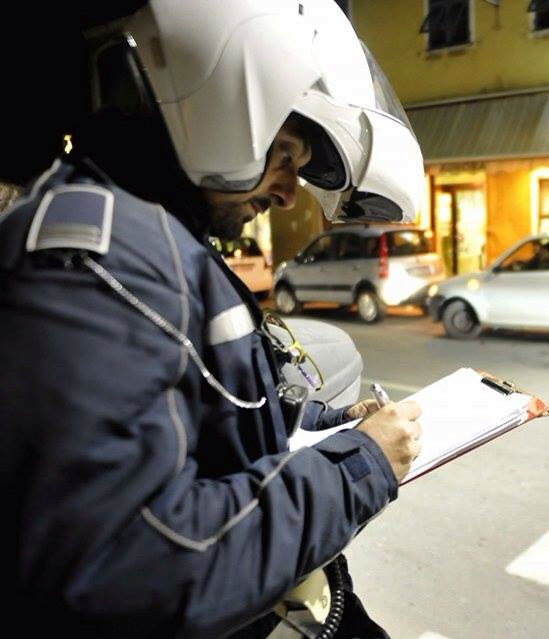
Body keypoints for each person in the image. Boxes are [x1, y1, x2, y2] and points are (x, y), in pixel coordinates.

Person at [0, 1, 425, 637]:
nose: (289, 192)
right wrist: (359, 468)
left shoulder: (155, 242)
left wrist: (330, 426)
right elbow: (126, 565)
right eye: (285, 156)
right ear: (220, 112)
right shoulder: (92, 263)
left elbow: (206, 416)